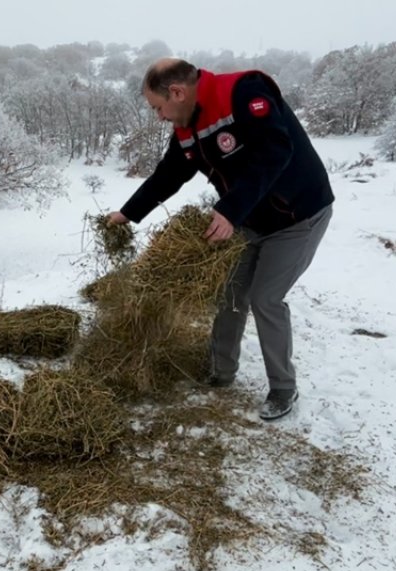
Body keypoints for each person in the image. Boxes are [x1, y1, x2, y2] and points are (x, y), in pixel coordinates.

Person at [105, 58, 334, 421]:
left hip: (298, 216)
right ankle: (221, 371)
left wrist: (229, 210)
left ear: (177, 92)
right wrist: (127, 214)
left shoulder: (243, 94)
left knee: (265, 298)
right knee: (231, 294)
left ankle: (283, 389)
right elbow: (169, 175)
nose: (159, 116)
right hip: (249, 220)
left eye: (157, 107)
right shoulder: (187, 126)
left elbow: (275, 152)